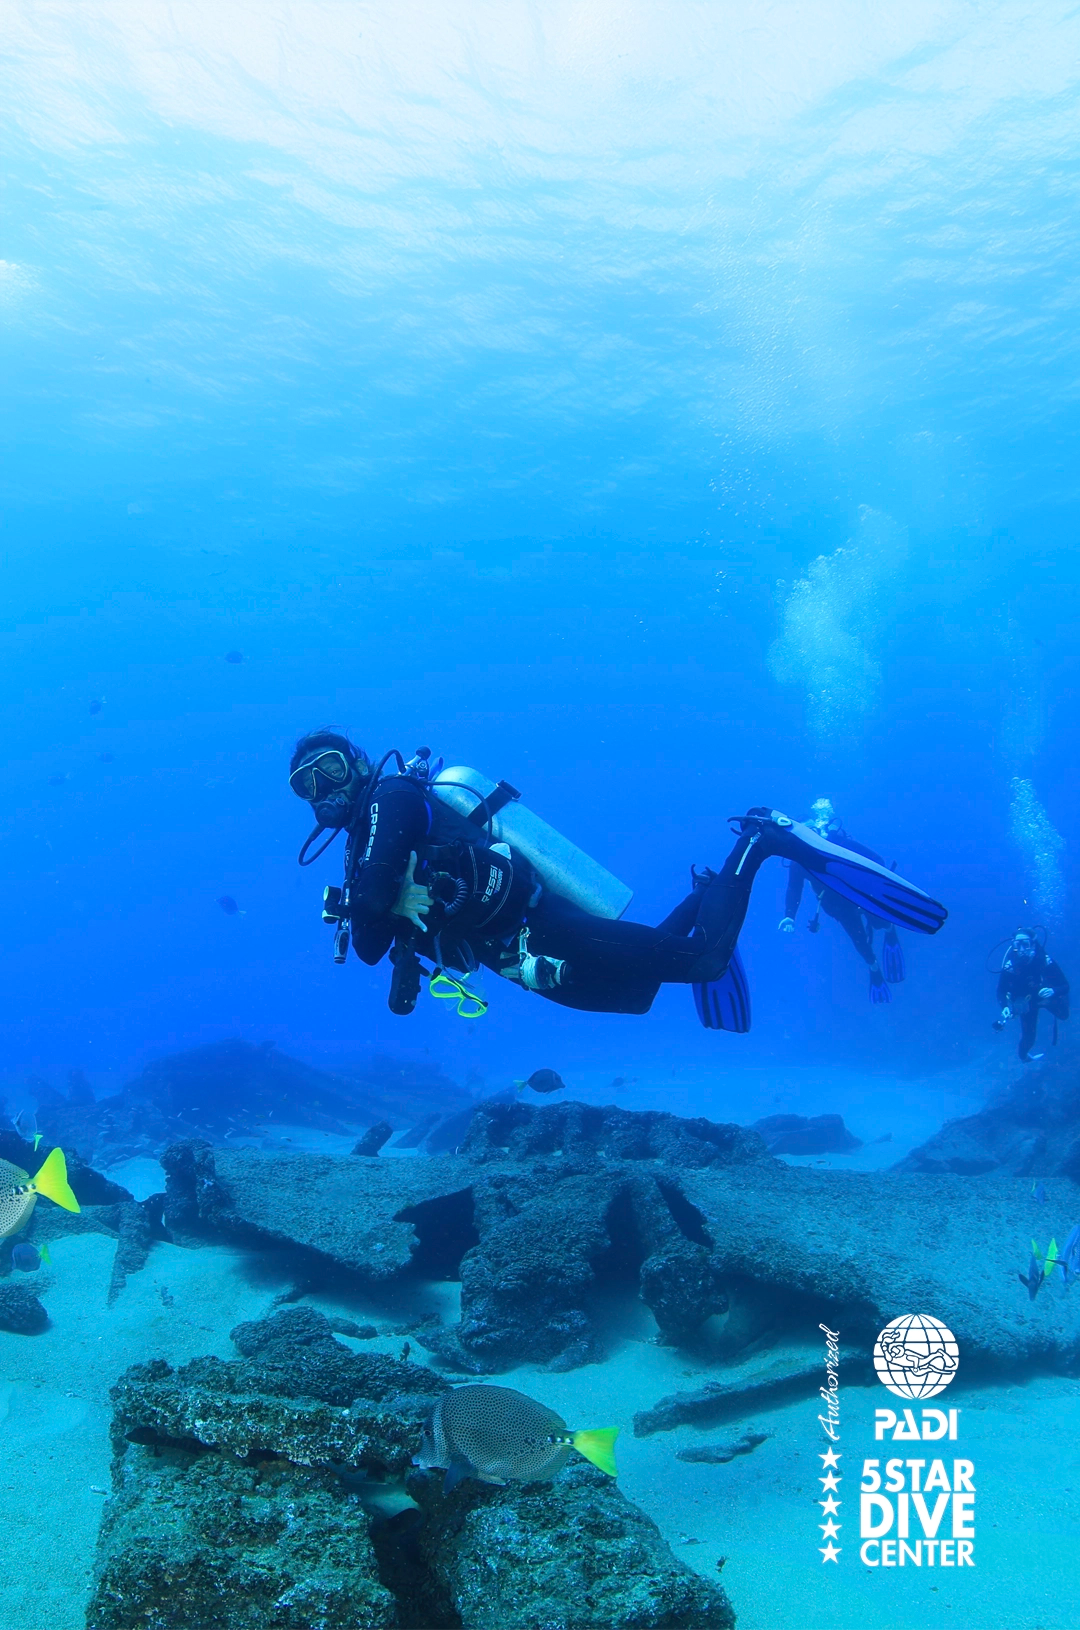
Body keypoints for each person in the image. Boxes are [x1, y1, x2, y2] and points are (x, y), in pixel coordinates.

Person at [289, 733, 947, 1024]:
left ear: (358, 761)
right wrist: (374, 910)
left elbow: (373, 907)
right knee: (635, 998)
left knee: (705, 960)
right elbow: (372, 946)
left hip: (531, 922)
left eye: (328, 770)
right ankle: (701, 894)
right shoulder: (359, 846)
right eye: (306, 787)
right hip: (509, 957)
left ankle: (762, 841)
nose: (323, 792)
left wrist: (373, 905)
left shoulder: (392, 799)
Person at [778, 797, 907, 1005]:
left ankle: (889, 928)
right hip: (837, 907)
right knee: (859, 942)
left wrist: (878, 886)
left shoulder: (838, 842)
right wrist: (789, 916)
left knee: (878, 923)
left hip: (861, 894)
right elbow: (794, 888)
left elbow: (876, 859)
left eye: (811, 832)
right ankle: (873, 968)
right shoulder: (798, 861)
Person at [993, 928, 1069, 1063]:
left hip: (1044, 998)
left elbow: (1065, 985)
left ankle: (1055, 1001)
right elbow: (1001, 991)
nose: (1022, 949)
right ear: (1013, 945)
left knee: (1064, 1015)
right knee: (1029, 1038)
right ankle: (1024, 1058)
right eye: (1018, 944)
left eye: (1026, 944)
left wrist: (1054, 991)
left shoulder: (1044, 960)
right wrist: (1004, 1006)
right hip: (1027, 1004)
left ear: (1033, 944)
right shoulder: (1010, 965)